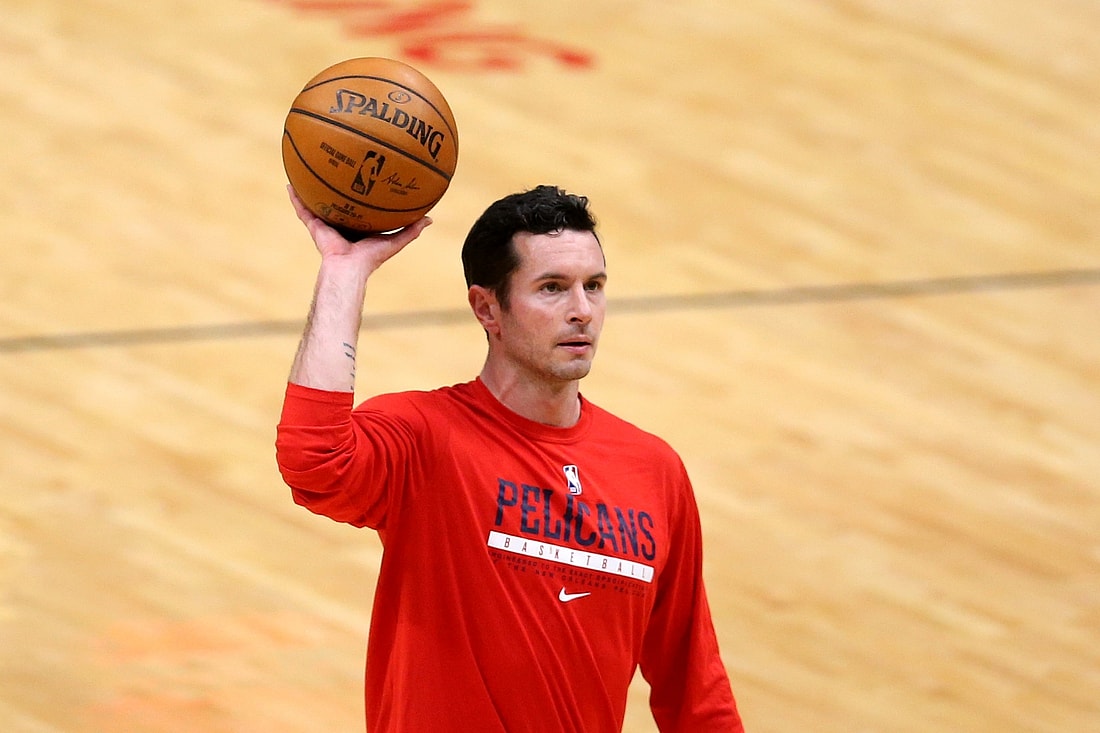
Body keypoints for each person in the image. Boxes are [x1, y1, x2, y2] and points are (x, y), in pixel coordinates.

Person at [275, 184, 745, 732]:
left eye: (593, 287)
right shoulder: (425, 438)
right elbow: (313, 458)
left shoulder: (653, 470)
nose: (581, 312)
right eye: (552, 288)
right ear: (487, 308)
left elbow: (694, 689)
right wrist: (344, 271)